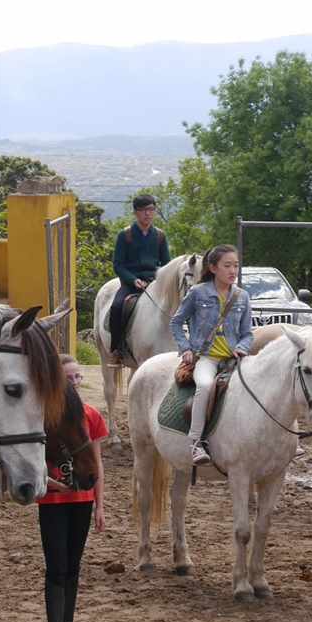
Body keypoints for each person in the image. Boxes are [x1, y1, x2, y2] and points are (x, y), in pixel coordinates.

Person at [38, 354, 108, 622]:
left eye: (78, 377)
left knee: (73, 567)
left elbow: (96, 463)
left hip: (82, 500)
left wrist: (100, 504)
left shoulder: (91, 414)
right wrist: (50, 483)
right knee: (56, 565)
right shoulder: (44, 417)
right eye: (69, 378)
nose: (75, 382)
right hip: (53, 501)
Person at [169, 244, 254, 467]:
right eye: (227, 266)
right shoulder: (197, 293)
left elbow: (247, 334)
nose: (233, 270)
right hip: (206, 358)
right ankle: (196, 442)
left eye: (236, 265)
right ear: (213, 268)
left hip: (234, 359)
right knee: (205, 386)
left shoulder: (243, 297)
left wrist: (243, 347)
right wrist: (185, 348)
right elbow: (176, 322)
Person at [108, 193, 170, 357]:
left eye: (151, 210)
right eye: (143, 210)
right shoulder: (125, 235)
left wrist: (159, 280)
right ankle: (117, 348)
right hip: (131, 283)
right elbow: (118, 265)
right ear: (136, 212)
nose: (148, 214)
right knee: (116, 307)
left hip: (154, 282)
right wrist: (133, 280)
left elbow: (166, 264)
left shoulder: (160, 236)